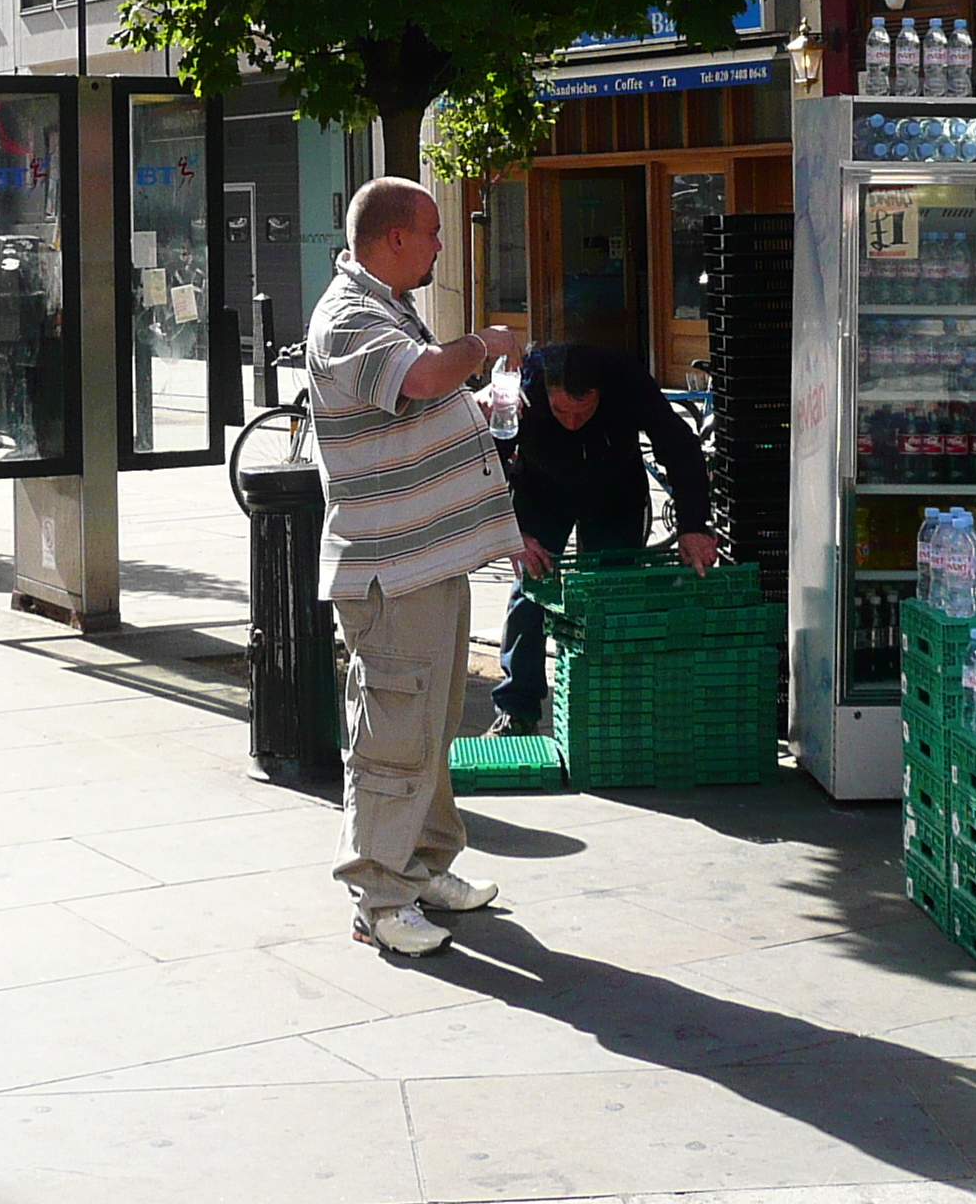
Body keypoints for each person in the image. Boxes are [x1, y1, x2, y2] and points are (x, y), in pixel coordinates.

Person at [305, 176, 522, 960]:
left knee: (428, 724)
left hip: (425, 561)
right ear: (394, 239)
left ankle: (423, 867)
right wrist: (481, 348)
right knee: (394, 730)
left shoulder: (387, 307)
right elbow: (424, 377)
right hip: (389, 571)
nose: (439, 244)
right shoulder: (349, 317)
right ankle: (380, 896)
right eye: (431, 231)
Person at [487, 340, 721, 737]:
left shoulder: (626, 378)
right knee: (530, 591)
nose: (573, 422)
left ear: (601, 393)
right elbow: (487, 460)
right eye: (561, 411)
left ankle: (606, 700)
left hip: (616, 494)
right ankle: (518, 708)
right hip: (539, 491)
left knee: (611, 595)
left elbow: (679, 448)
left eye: (584, 411)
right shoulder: (520, 385)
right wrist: (511, 533)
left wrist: (694, 525)